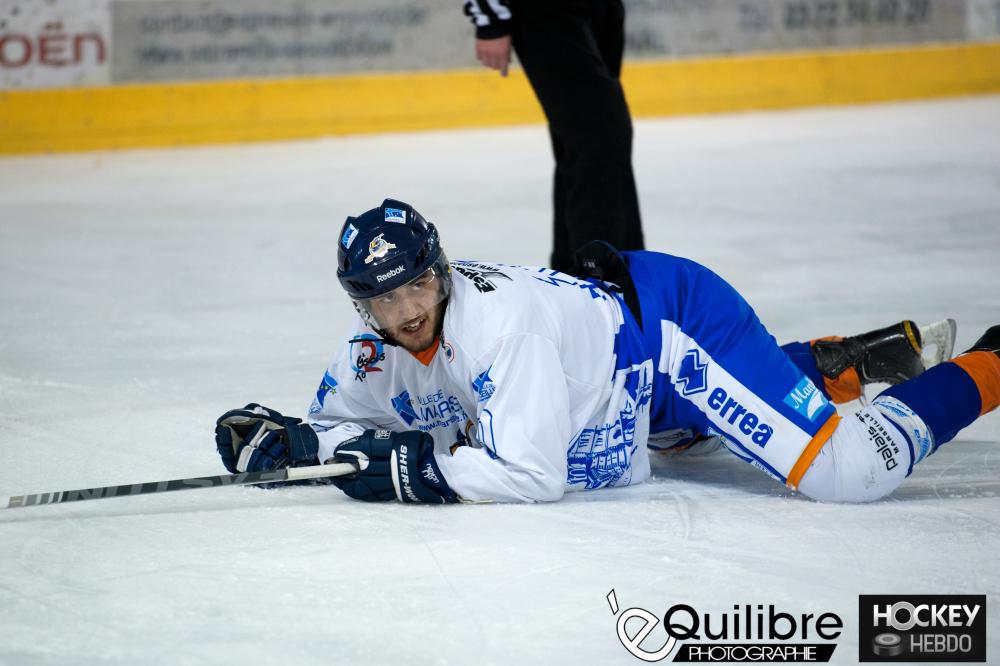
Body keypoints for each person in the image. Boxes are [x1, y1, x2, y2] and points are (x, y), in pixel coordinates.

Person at [214, 199, 1000, 504]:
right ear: (363, 309)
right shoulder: (370, 350)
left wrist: (418, 473)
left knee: (847, 473)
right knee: (696, 444)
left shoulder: (502, 326)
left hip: (670, 333)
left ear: (440, 270)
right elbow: (346, 424)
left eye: (418, 285)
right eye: (385, 301)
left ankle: (994, 362)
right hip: (615, 382)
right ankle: (836, 365)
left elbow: (532, 475)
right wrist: (298, 442)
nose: (409, 311)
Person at [462, 0, 645, 273]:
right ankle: (606, 277)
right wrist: (488, 16)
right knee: (599, 137)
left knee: (585, 140)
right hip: (546, 9)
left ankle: (576, 273)